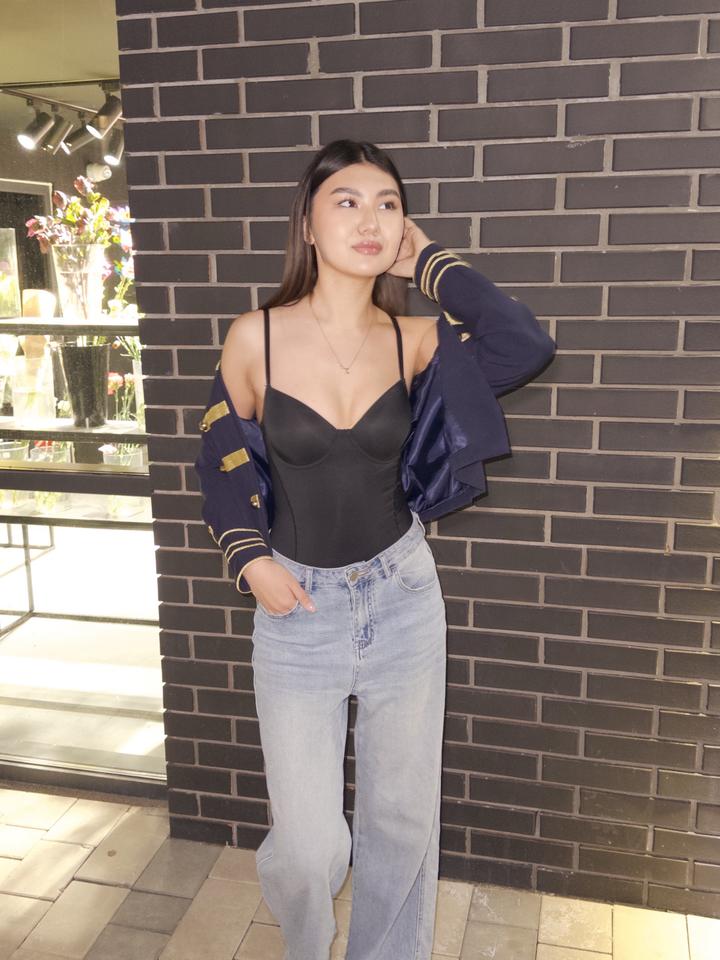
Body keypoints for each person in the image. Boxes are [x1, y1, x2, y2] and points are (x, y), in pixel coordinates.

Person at [194, 138, 556, 960]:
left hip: (402, 600)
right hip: (298, 613)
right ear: (308, 223)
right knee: (310, 844)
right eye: (347, 201)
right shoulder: (255, 337)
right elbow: (218, 458)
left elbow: (523, 343)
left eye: (388, 204)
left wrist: (427, 261)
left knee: (399, 820)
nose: (370, 219)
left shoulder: (417, 341)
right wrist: (251, 558)